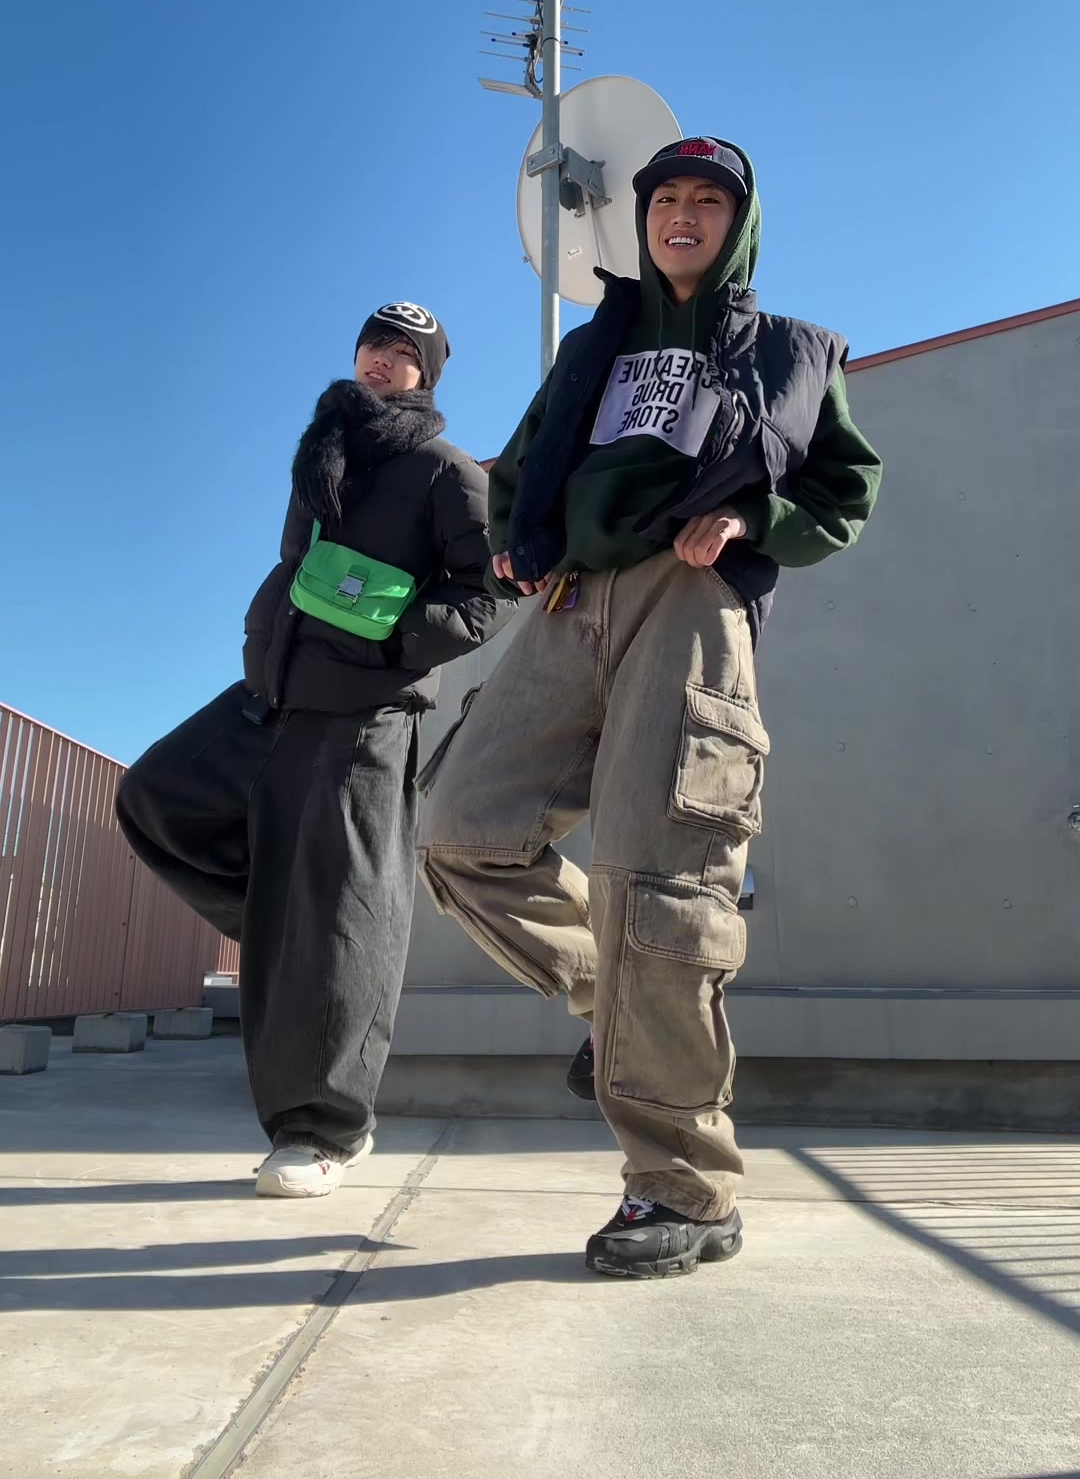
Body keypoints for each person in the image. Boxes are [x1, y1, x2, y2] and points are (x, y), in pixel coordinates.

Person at [419, 138, 882, 1277]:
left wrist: (753, 521)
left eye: (708, 201)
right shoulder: (598, 345)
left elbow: (844, 488)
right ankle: (608, 1002)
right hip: (572, 597)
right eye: (665, 197)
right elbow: (522, 464)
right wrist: (512, 540)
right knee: (460, 829)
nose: (683, 214)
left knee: (657, 882)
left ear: (739, 223)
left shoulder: (792, 351)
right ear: (643, 219)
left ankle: (684, 1187)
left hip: (688, 594)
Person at [117, 302, 512, 1197]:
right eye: (375, 343)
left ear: (426, 375)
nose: (383, 359)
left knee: (342, 916)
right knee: (156, 797)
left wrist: (389, 644)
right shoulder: (323, 456)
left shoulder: (446, 470)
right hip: (272, 697)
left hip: (364, 714)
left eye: (405, 352)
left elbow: (486, 595)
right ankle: (276, 926)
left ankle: (326, 1131)